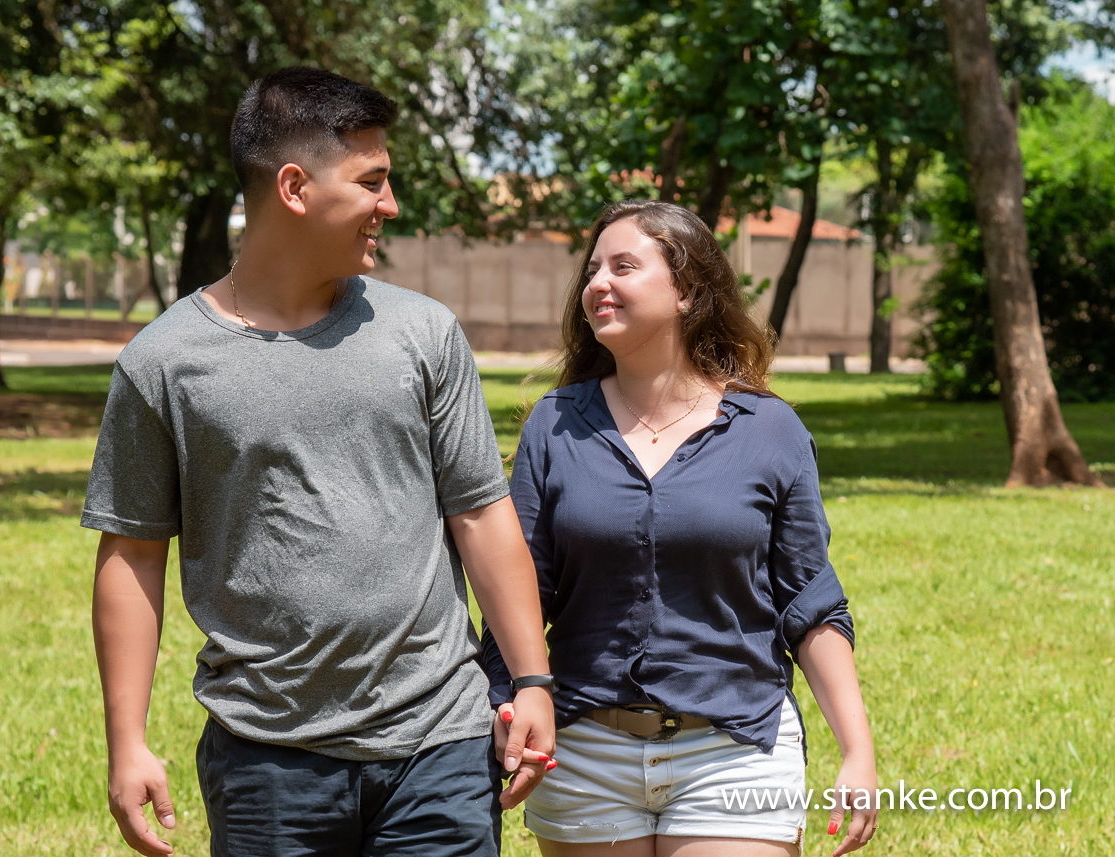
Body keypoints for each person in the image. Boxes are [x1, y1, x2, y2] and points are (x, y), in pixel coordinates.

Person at [84, 67, 554, 857]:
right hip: (267, 757)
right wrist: (126, 741)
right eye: (372, 181)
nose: (390, 206)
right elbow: (131, 550)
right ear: (295, 187)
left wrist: (532, 678)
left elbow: (479, 510)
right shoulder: (162, 361)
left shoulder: (424, 333)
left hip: (438, 743)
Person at [484, 200, 878, 857]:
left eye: (624, 266)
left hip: (736, 750)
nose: (597, 282)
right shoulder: (554, 425)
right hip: (586, 754)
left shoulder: (771, 429)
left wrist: (857, 751)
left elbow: (810, 603)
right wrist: (509, 702)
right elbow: (519, 589)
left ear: (687, 292)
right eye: (592, 269)